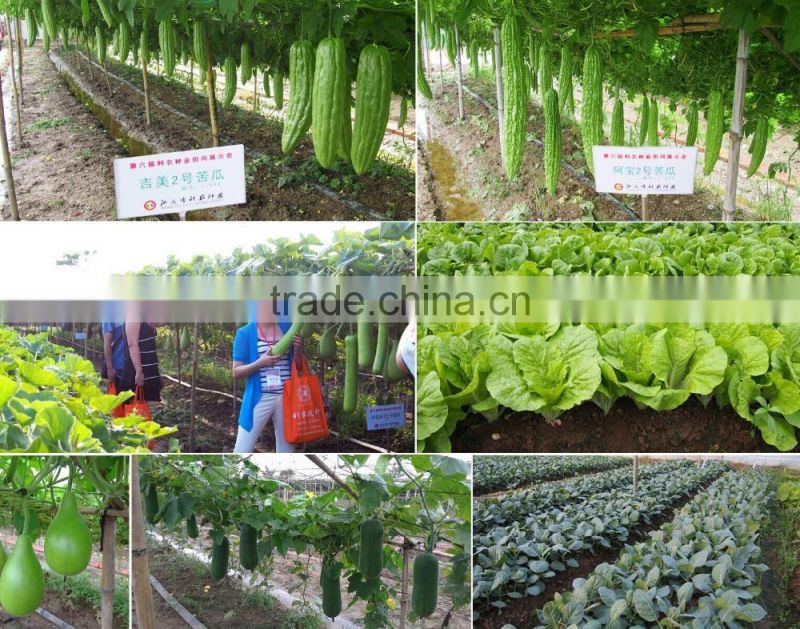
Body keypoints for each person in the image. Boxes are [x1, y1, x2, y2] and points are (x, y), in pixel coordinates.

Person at [232, 304, 303, 453]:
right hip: (259, 397)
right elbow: (236, 372)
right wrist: (260, 363)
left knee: (287, 451)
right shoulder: (244, 333)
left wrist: (298, 350)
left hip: (287, 398)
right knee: (242, 450)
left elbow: (299, 367)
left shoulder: (288, 328)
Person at [103, 321, 162, 402]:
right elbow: (107, 342)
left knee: (138, 400)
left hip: (135, 363)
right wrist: (109, 368)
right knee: (124, 400)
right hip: (120, 366)